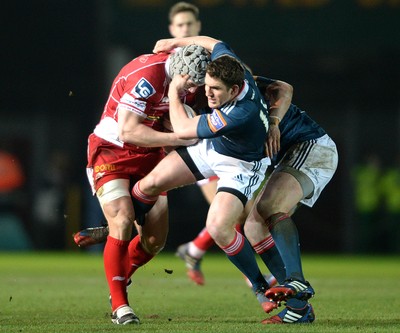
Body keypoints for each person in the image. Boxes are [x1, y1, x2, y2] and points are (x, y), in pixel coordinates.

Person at [130, 35, 286, 317]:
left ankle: (261, 286)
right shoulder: (231, 67)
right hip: (213, 149)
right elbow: (214, 42)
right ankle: (120, 232)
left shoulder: (240, 112)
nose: (208, 93)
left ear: (236, 89)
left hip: (240, 166)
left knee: (219, 226)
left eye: (215, 89)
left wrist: (177, 91)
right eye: (206, 86)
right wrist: (173, 41)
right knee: (147, 185)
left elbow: (182, 129)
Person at [83, 43, 210, 325]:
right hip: (112, 149)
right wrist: (178, 139)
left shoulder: (191, 76)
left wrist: (174, 127)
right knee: (123, 219)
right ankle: (120, 306)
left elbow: (167, 119)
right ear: (177, 69)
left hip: (150, 155)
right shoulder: (149, 76)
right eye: (189, 84)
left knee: (154, 241)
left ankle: (120, 275)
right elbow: (129, 130)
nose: (192, 91)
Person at [242, 76, 339, 324]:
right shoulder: (212, 102)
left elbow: (284, 88)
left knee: (269, 206)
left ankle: (295, 279)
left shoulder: (241, 83)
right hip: (289, 156)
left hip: (310, 145)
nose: (209, 92)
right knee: (253, 227)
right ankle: (298, 308)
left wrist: (274, 120)